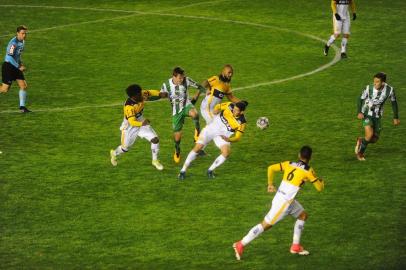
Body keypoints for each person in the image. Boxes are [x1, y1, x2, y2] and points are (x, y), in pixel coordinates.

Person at [233, 146, 324, 260]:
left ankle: (295, 246)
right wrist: (321, 181)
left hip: (287, 200)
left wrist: (270, 184)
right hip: (283, 203)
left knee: (303, 215)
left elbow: (271, 168)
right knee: (265, 225)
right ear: (310, 157)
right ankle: (241, 244)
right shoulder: (309, 171)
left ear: (299, 155)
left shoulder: (289, 163)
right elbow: (320, 188)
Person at [178, 100, 248, 180]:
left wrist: (228, 139)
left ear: (242, 112)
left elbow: (237, 137)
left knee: (226, 153)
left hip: (222, 136)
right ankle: (183, 170)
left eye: (236, 110)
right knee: (198, 148)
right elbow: (218, 106)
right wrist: (215, 111)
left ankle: (210, 170)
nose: (234, 111)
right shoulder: (229, 105)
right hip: (211, 129)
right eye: (234, 109)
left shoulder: (242, 122)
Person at [110, 84, 165, 170]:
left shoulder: (140, 94)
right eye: (139, 94)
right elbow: (132, 121)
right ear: (133, 96)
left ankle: (155, 161)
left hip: (140, 121)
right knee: (125, 148)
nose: (141, 95)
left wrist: (159, 93)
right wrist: (142, 123)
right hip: (129, 127)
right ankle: (114, 153)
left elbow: (150, 92)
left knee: (155, 139)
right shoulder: (129, 106)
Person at [160, 67, 206, 163]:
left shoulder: (187, 80)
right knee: (177, 138)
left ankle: (197, 132)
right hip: (176, 112)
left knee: (195, 114)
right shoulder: (166, 85)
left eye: (182, 77)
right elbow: (160, 94)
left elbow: (199, 86)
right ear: (174, 77)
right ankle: (177, 150)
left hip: (186, 105)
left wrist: (206, 91)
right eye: (180, 78)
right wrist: (162, 95)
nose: (182, 79)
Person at [355, 72, 400, 161]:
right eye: (374, 81)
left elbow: (394, 103)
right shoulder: (369, 88)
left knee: (374, 139)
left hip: (378, 116)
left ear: (383, 82)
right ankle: (360, 154)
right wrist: (359, 112)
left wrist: (396, 117)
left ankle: (361, 140)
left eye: (377, 82)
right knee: (369, 134)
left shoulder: (389, 90)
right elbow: (360, 98)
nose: (374, 83)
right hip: (367, 113)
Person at [0, 25, 31, 112]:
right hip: (8, 66)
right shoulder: (13, 43)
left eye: (25, 33)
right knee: (4, 89)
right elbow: (9, 58)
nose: (24, 35)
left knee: (23, 86)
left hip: (16, 66)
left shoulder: (23, 42)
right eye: (22, 33)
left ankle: (22, 107)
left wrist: (20, 63)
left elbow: (18, 55)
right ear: (17, 33)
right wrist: (19, 66)